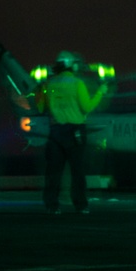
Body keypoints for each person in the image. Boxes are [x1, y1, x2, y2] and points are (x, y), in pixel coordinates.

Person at [37, 50, 107, 215]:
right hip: (75, 132)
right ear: (71, 65)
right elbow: (87, 107)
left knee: (54, 171)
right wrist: (100, 92)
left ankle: (51, 205)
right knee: (77, 171)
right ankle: (80, 205)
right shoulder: (77, 83)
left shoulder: (49, 84)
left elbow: (40, 108)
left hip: (55, 132)